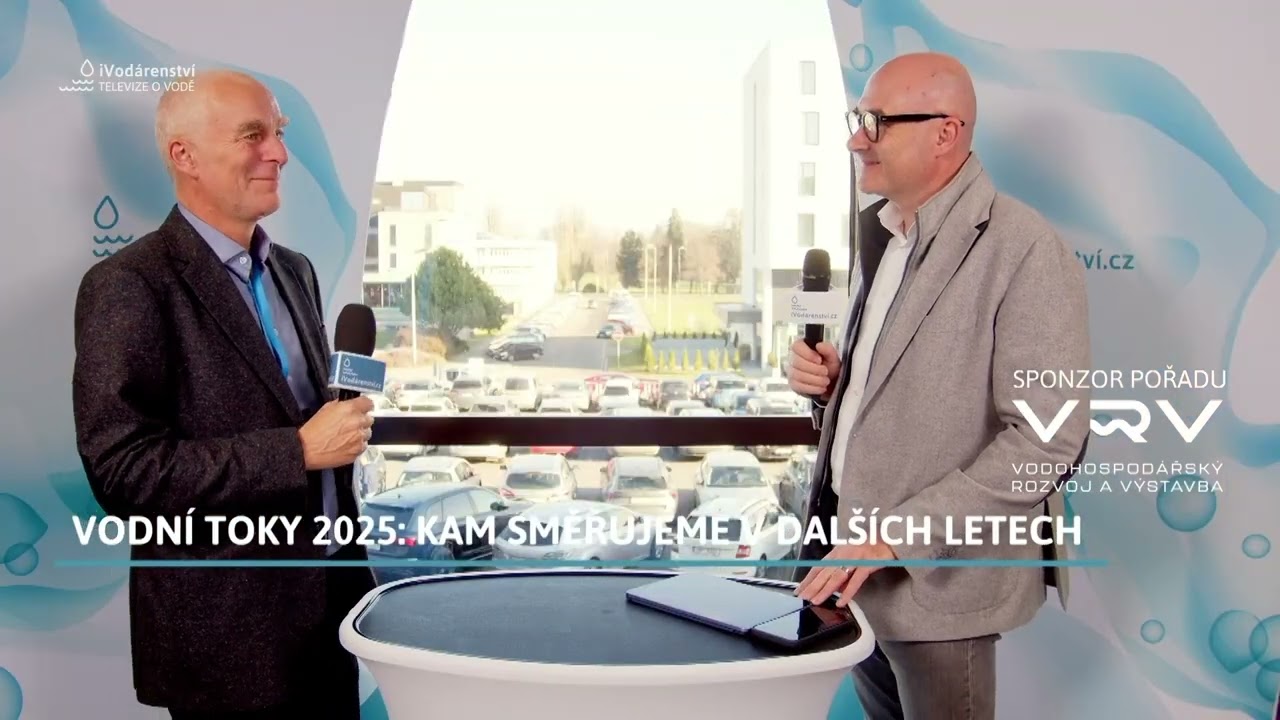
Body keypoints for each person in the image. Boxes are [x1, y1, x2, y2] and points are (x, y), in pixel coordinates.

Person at [785, 53, 1090, 719]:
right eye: (856, 119)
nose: (855, 139)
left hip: (938, 588)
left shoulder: (1025, 248)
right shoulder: (886, 236)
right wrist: (830, 389)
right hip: (852, 577)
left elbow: (1048, 442)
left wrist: (894, 538)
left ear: (945, 133)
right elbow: (896, 390)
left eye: (876, 122)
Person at [72, 69, 377, 719]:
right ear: (184, 156)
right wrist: (296, 450)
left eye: (280, 133)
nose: (280, 153)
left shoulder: (295, 270)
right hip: (226, 644)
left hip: (328, 621)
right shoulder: (130, 285)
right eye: (253, 135)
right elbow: (122, 471)